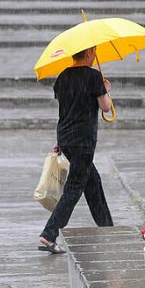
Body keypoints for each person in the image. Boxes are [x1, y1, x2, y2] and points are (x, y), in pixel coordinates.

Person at [38, 46, 114, 254]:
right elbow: (106, 107)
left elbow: (65, 111)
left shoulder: (63, 77)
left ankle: (108, 229)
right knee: (74, 189)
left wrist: (61, 140)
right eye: (95, 51)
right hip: (83, 140)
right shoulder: (93, 77)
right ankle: (49, 233)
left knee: (93, 182)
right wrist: (105, 89)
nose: (95, 55)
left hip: (67, 137)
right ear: (88, 53)